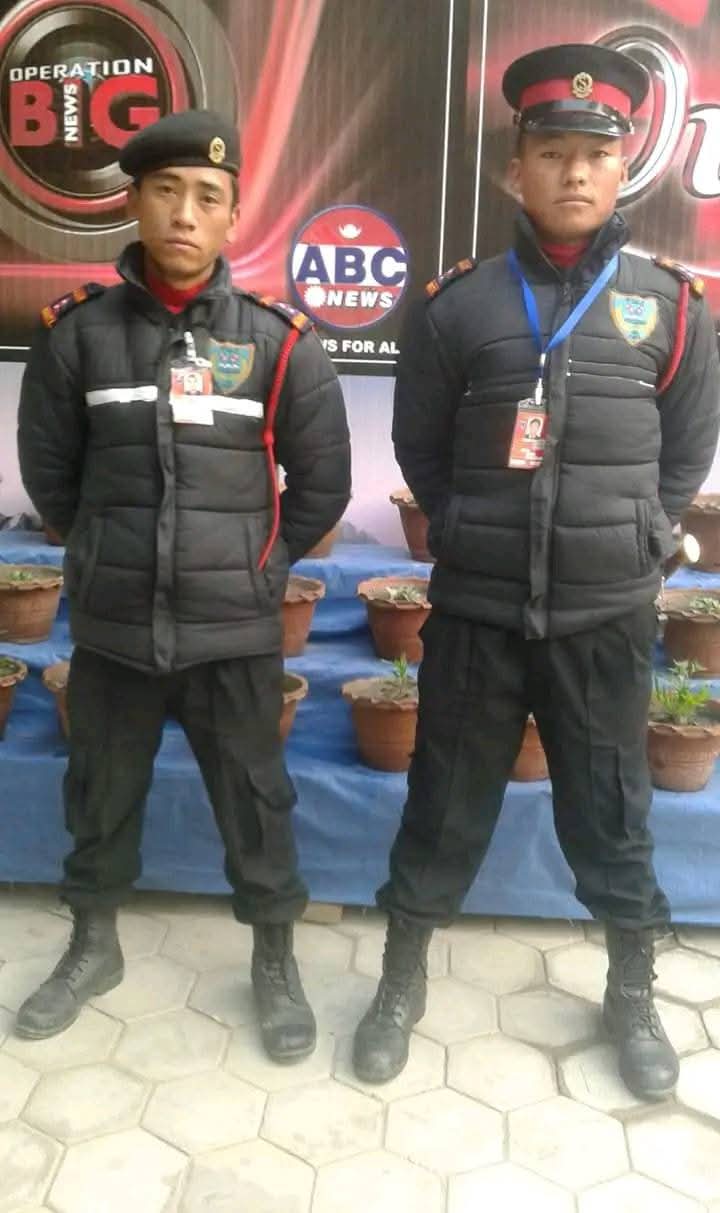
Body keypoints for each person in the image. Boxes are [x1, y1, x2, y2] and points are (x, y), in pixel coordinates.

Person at [353, 43, 720, 1099]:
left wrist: (642, 537)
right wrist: (465, 526)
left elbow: (686, 452)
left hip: (604, 614)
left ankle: (632, 992)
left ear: (623, 169)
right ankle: (400, 979)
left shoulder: (672, 306)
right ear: (517, 170)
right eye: (552, 152)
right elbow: (420, 446)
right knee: (442, 806)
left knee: (613, 813)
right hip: (477, 611)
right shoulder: (457, 305)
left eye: (594, 155)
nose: (573, 172)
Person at [16, 109, 351, 1062]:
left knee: (257, 802)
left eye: (208, 196)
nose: (185, 212)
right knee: (99, 793)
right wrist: (103, 549)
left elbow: (323, 482)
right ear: (134, 201)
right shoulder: (78, 336)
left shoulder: (279, 342)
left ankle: (274, 958)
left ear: (234, 215)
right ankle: (93, 945)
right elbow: (50, 473)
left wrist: (260, 567)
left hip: (232, 629)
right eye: (166, 190)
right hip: (116, 626)